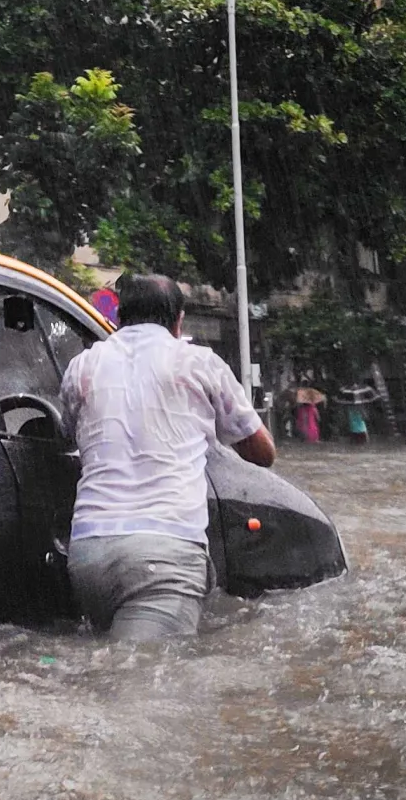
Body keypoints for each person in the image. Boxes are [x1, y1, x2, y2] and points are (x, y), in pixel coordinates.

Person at [57, 270, 274, 643]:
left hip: (88, 553)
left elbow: (69, 434)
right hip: (164, 556)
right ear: (179, 321)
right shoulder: (199, 363)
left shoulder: (83, 366)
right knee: (143, 685)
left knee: (107, 673)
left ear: (119, 317)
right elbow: (262, 452)